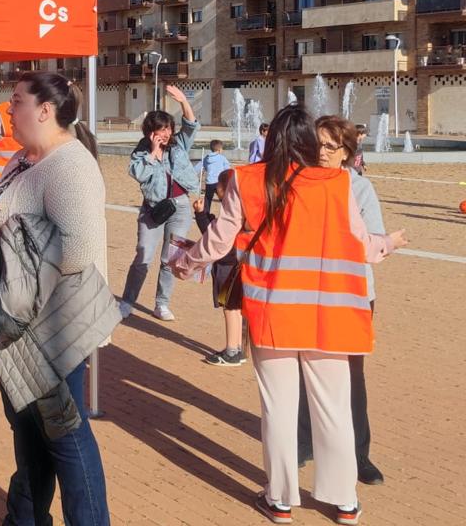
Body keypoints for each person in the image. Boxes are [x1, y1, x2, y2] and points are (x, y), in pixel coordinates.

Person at [171, 105, 407, 526]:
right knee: (333, 407)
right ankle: (344, 501)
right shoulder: (338, 183)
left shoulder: (247, 179)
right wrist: (389, 242)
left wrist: (186, 262)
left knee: (278, 408)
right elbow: (362, 246)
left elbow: (219, 241)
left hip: (274, 311)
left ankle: (280, 500)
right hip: (332, 312)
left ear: (272, 137)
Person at [0, 71, 117, 526]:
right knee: (29, 437)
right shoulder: (24, 160)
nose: (9, 109)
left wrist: (6, 264)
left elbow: (78, 249)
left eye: (17, 101)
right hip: (16, 330)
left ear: (44, 111)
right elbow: (6, 220)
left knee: (66, 439)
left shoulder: (71, 166)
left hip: (52, 332)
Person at [297, 116, 387, 485]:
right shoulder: (299, 184)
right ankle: (304, 442)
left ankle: (358, 453)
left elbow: (376, 243)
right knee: (303, 368)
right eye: (317, 144)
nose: (322, 153)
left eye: (331, 147)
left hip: (352, 294)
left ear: (347, 152)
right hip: (305, 291)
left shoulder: (360, 188)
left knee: (352, 375)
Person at [119, 83, 200, 322]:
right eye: (160, 130)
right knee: (143, 258)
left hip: (181, 207)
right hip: (153, 210)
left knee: (170, 258)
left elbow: (191, 124)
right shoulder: (141, 153)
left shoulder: (179, 144)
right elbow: (138, 174)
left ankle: (161, 304)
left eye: (168, 129)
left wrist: (183, 100)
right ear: (149, 132)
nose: (165, 134)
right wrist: (153, 153)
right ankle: (127, 302)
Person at [191, 168, 244, 366]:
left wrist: (200, 214)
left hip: (227, 266)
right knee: (237, 308)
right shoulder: (243, 209)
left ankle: (232, 351)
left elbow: (214, 236)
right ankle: (237, 347)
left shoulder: (229, 213)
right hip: (240, 263)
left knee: (229, 308)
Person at [196, 139, 232, 216]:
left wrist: (195, 173)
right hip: (219, 182)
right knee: (223, 198)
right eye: (222, 148)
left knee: (208, 199)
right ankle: (227, 213)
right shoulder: (222, 158)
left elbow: (198, 168)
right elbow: (228, 169)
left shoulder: (206, 158)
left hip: (209, 182)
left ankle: (205, 214)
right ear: (219, 149)